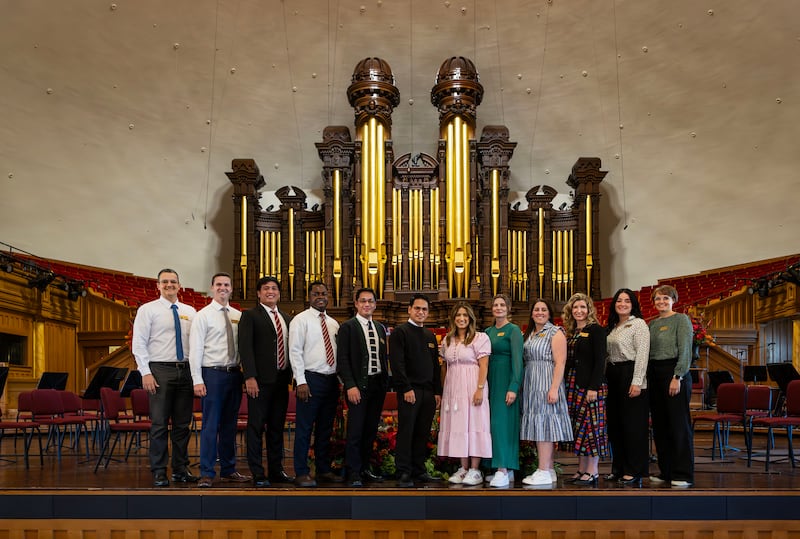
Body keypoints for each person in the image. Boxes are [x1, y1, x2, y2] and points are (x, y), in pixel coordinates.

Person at [132, 268, 198, 487]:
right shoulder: (147, 310)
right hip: (160, 369)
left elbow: (196, 345)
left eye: (173, 281)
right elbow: (139, 343)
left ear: (179, 285)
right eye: (165, 282)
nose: (169, 285)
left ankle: (180, 469)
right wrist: (146, 372)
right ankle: (159, 470)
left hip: (186, 370)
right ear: (158, 285)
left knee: (182, 425)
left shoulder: (190, 311)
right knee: (159, 424)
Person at [189, 272, 251, 488]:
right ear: (212, 288)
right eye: (219, 284)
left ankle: (228, 469)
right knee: (210, 425)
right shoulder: (202, 315)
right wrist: (197, 379)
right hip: (212, 374)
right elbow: (195, 350)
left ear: (231, 288)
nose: (223, 288)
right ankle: (206, 472)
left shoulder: (238, 315)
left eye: (226, 284)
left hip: (234, 374)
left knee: (229, 426)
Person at [238, 276, 294, 488]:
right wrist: (249, 377)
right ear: (259, 293)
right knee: (255, 427)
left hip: (281, 380)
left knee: (277, 428)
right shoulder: (250, 315)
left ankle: (276, 470)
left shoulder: (287, 318)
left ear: (279, 293)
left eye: (274, 288)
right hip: (259, 381)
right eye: (266, 288)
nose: (271, 291)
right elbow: (245, 348)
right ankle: (257, 472)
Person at [288, 280, 342, 487]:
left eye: (324, 293)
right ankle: (301, 472)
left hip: (330, 381)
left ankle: (323, 469)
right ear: (309, 296)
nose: (321, 296)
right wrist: (300, 381)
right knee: (304, 428)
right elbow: (295, 351)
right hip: (309, 380)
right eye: (316, 293)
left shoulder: (333, 323)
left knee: (325, 429)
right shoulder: (300, 320)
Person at [336, 287, 390, 487]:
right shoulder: (348, 327)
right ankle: (353, 471)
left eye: (370, 301)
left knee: (370, 430)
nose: (367, 304)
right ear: (357, 304)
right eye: (363, 301)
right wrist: (350, 385)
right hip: (358, 386)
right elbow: (342, 359)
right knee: (356, 431)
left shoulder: (379, 328)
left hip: (377, 386)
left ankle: (365, 468)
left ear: (375, 304)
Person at [389, 294, 443, 488]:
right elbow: (397, 363)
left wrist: (437, 391)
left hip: (428, 393)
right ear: (409, 309)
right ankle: (403, 471)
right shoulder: (400, 332)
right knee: (407, 431)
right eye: (417, 308)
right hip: (409, 391)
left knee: (422, 432)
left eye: (424, 309)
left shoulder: (429, 336)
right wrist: (405, 387)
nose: (421, 312)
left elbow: (435, 366)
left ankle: (418, 470)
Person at [438, 301, 492, 486]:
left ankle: (475, 470)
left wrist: (480, 388)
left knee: (475, 423)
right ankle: (463, 468)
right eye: (458, 315)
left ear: (470, 318)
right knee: (459, 425)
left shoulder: (480, 338)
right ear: (453, 319)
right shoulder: (447, 340)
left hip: (472, 386)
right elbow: (445, 366)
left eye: (465, 315)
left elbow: (484, 365)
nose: (461, 318)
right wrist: (444, 390)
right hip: (454, 388)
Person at [520, 298, 573, 487]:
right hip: (532, 383)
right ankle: (548, 469)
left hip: (546, 383)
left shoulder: (555, 332)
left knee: (544, 426)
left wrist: (554, 388)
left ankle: (542, 470)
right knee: (540, 425)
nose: (540, 312)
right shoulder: (530, 334)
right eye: (536, 309)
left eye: (544, 309)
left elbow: (560, 362)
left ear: (550, 313)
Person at [648, 284, 694, 488]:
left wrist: (678, 376)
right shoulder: (652, 324)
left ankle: (683, 473)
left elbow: (685, 350)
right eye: (658, 299)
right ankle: (665, 470)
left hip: (674, 373)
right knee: (660, 426)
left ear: (673, 300)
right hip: (655, 374)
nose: (661, 302)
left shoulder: (681, 320)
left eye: (665, 298)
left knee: (678, 425)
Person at [561, 293, 608, 487]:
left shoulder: (596, 330)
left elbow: (600, 360)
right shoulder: (571, 332)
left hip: (590, 386)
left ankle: (593, 471)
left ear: (589, 310)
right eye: (575, 308)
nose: (579, 311)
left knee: (591, 427)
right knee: (579, 428)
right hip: (573, 384)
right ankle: (581, 469)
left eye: (582, 307)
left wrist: (593, 387)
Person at [605, 288, 651, 487]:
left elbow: (642, 354)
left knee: (633, 426)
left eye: (626, 301)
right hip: (613, 375)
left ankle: (634, 469)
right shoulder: (614, 326)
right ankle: (619, 468)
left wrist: (637, 381)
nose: (622, 304)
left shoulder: (638, 324)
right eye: (619, 300)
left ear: (633, 304)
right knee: (616, 425)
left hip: (630, 374)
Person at [484, 293, 523, 488]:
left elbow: (518, 361)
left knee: (503, 425)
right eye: (495, 305)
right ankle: (501, 470)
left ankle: (504, 468)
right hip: (491, 381)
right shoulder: (488, 331)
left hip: (505, 381)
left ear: (508, 308)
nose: (498, 308)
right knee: (492, 425)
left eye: (502, 305)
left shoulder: (513, 330)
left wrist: (514, 387)